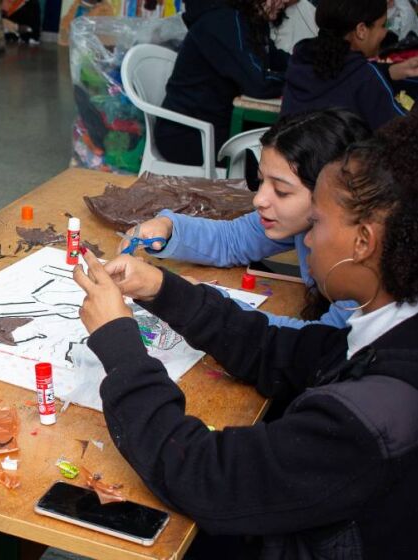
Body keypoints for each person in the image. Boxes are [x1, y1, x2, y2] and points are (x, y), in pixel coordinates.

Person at [74, 113, 418, 558]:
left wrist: (121, 347)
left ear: (363, 242)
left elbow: (203, 474)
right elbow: (276, 350)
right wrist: (162, 289)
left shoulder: (373, 416)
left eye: (315, 223)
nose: (306, 243)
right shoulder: (385, 336)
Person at [121, 108, 370, 328]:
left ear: (329, 193)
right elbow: (234, 239)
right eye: (261, 181)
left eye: (281, 191)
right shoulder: (298, 222)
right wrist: (169, 227)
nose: (259, 200)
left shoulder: (363, 275)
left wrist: (193, 301)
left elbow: (308, 346)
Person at [155, 0, 291, 166]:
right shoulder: (224, 21)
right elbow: (259, 84)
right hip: (189, 134)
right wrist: (300, 78)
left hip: (214, 125)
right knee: (279, 161)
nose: (286, 2)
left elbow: (274, 59)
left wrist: (309, 62)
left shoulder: (246, 20)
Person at [281, 0, 418, 129]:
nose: (385, 33)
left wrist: (391, 71)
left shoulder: (300, 60)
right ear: (361, 30)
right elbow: (400, 132)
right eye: (382, 25)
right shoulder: (365, 78)